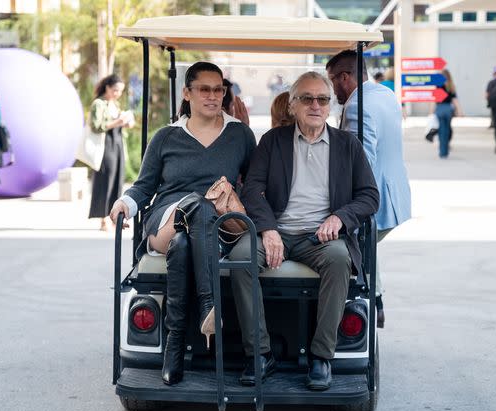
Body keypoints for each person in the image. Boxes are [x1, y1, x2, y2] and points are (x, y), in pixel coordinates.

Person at [229, 71, 379, 391]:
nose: (315, 105)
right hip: (278, 230)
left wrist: (340, 218)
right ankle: (260, 354)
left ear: (330, 107)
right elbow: (252, 190)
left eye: (322, 99)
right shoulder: (273, 142)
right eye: (307, 99)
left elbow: (369, 196)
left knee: (340, 260)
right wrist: (268, 230)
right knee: (241, 256)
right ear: (293, 105)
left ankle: (321, 357)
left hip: (321, 238)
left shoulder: (347, 145)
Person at [109, 62, 256, 386]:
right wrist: (126, 202)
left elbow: (256, 185)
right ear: (187, 93)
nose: (213, 96)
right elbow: (144, 185)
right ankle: (208, 302)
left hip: (217, 229)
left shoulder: (239, 135)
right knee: (197, 208)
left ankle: (174, 347)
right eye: (205, 89)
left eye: (219, 89)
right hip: (168, 215)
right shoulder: (166, 137)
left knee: (184, 243)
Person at [326, 50, 411, 329]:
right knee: (364, 248)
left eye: (332, 81)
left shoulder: (355, 106)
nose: (332, 89)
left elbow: (361, 163)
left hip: (377, 202)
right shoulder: (385, 94)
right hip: (396, 195)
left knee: (346, 245)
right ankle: (377, 302)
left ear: (345, 77)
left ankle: (367, 304)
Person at [88, 74, 134, 231]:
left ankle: (115, 217)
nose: (117, 94)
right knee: (105, 181)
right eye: (115, 90)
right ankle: (103, 219)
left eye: (120, 91)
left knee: (117, 181)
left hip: (118, 144)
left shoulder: (115, 104)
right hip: (105, 146)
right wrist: (117, 122)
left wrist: (125, 123)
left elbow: (117, 125)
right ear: (107, 87)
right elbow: (96, 126)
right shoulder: (99, 104)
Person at [431, 69, 462, 159]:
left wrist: (431, 111)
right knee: (447, 129)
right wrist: (460, 111)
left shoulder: (438, 86)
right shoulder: (451, 86)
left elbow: (435, 100)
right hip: (448, 109)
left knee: (441, 130)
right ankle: (446, 148)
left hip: (440, 109)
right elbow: (454, 100)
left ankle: (442, 151)